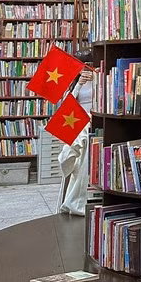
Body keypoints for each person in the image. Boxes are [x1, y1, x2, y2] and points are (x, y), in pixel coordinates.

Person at [55, 52, 95, 217]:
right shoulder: (74, 82)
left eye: (88, 65)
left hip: (93, 122)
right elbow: (66, 105)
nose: (85, 69)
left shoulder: (99, 79)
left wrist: (96, 80)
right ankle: (69, 199)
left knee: (87, 164)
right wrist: (78, 84)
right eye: (82, 66)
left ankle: (83, 198)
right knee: (76, 163)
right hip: (77, 124)